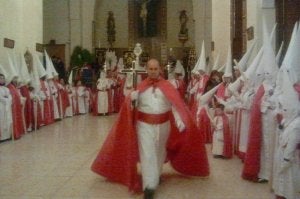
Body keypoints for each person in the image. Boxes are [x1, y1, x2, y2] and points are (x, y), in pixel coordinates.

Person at [91, 59, 209, 199]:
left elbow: (174, 104)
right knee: (148, 154)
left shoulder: (168, 86)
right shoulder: (141, 87)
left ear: (160, 69)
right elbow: (130, 108)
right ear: (147, 70)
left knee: (159, 152)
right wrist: (131, 99)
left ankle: (156, 175)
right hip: (144, 126)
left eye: (155, 68)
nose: (153, 71)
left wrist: (178, 120)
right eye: (150, 69)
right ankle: (149, 186)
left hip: (164, 126)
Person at [0, 73, 13, 141]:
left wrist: (8, 99)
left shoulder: (7, 88)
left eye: (3, 78)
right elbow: (1, 98)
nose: (2, 80)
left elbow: (10, 96)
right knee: (1, 121)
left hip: (7, 106)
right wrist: (6, 99)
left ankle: (7, 136)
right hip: (1, 107)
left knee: (7, 120)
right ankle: (1, 137)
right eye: (1, 78)